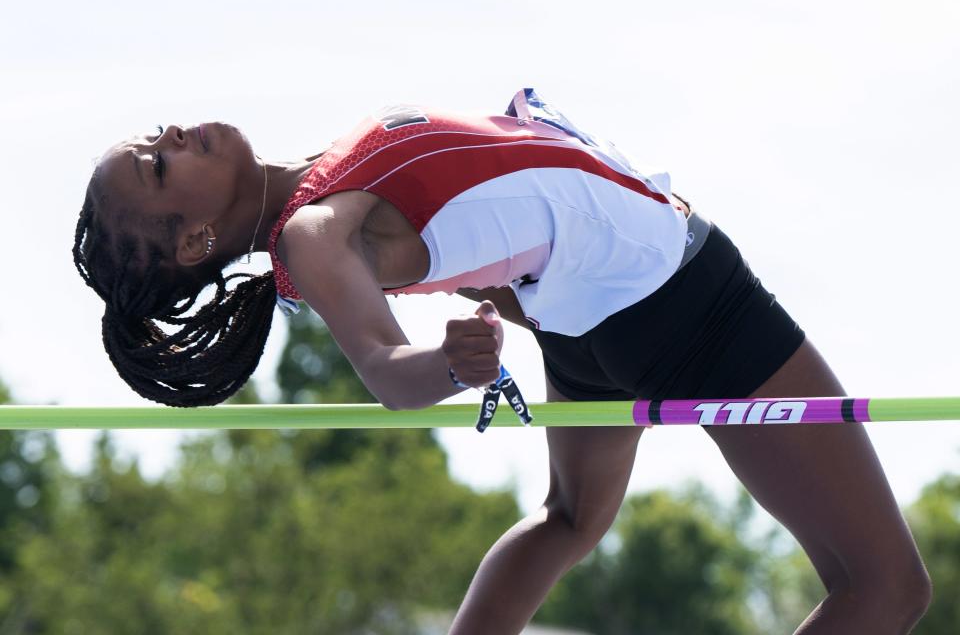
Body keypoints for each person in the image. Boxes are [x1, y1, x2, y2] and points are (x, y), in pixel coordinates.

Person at [73, 89, 931, 633]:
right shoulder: (312, 230)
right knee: (885, 588)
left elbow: (480, 229)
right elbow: (384, 369)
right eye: (158, 163)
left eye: (155, 134)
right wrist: (450, 365)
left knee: (570, 520)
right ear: (192, 238)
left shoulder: (316, 198)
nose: (175, 132)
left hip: (592, 321)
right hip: (678, 301)